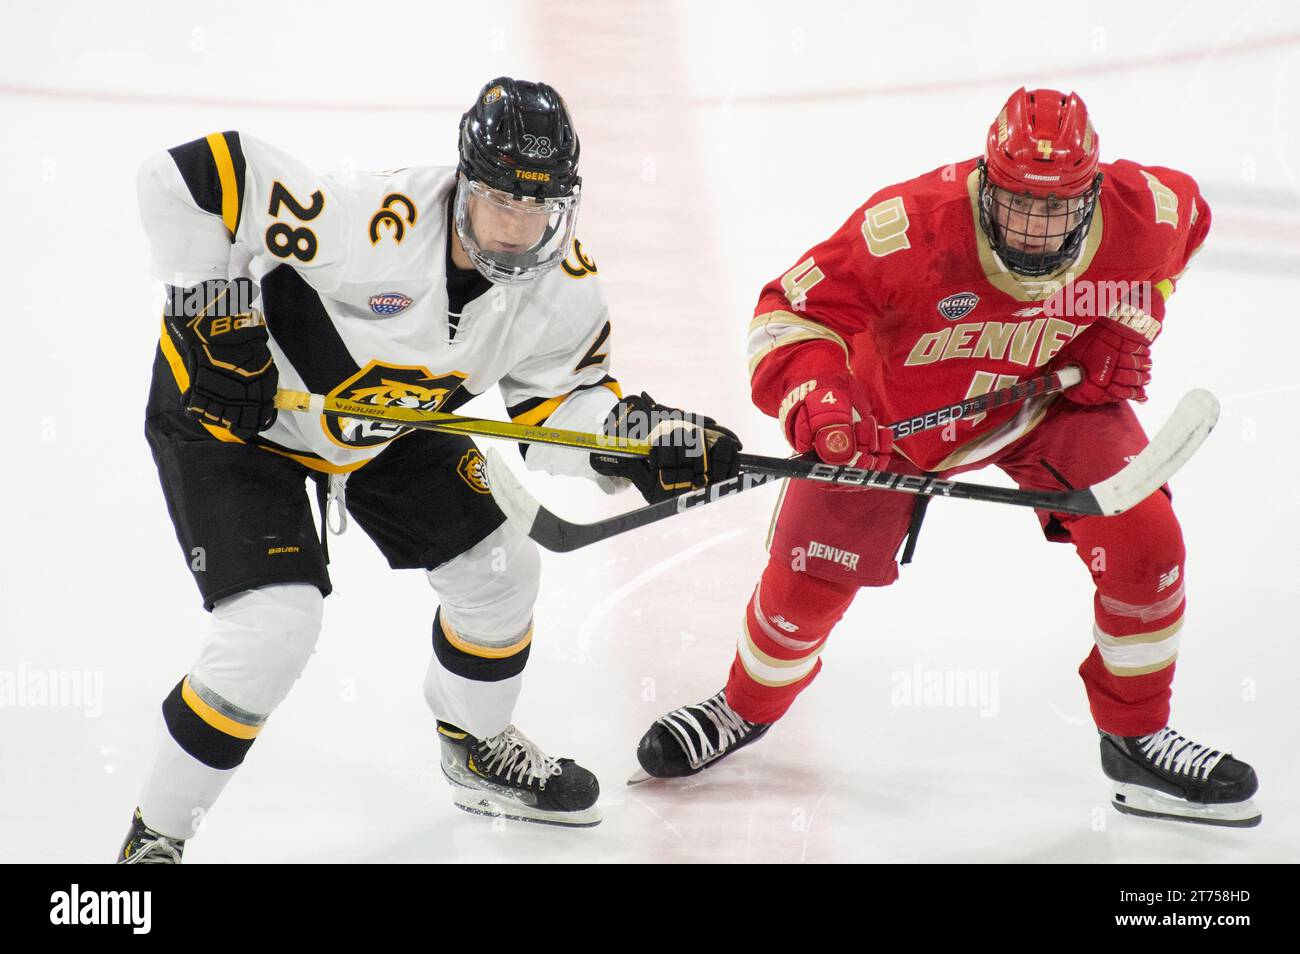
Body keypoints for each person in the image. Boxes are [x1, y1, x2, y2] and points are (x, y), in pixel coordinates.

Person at [119, 76, 740, 862]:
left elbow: (555, 412)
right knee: (272, 630)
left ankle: (476, 747)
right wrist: (212, 311)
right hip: (234, 419)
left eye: (539, 208)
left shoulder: (564, 291)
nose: (519, 229)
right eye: (501, 203)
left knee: (501, 569)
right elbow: (187, 175)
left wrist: (640, 437)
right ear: (463, 185)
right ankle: (154, 842)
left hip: (388, 421)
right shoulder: (373, 223)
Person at [634, 88, 1260, 829]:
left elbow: (1184, 233)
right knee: (800, 593)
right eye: (1019, 203)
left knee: (1146, 543)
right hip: (886, 425)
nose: (1035, 227)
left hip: (1042, 405)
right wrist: (823, 400)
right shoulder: (905, 229)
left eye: (1057, 208)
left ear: (1093, 192)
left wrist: (1122, 330)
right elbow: (788, 313)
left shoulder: (1146, 208)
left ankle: (1138, 740)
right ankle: (744, 708)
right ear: (985, 181)